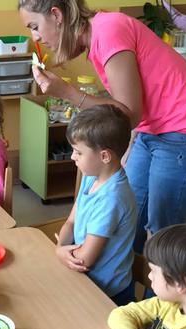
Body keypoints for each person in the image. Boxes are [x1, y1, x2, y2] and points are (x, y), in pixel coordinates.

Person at [18, 0, 186, 253]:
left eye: (35, 26)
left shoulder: (108, 31)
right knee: (129, 219)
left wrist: (67, 93)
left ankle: (159, 292)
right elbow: (130, 110)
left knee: (163, 235)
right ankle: (128, 291)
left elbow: (128, 115)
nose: (36, 38)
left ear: (56, 15)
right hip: (152, 133)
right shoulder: (97, 38)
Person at [57, 104, 136, 306]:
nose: (73, 157)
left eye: (78, 152)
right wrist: (61, 247)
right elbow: (71, 222)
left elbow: (84, 259)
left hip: (107, 294)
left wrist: (61, 253)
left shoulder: (112, 198)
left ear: (104, 156)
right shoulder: (91, 176)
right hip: (85, 280)